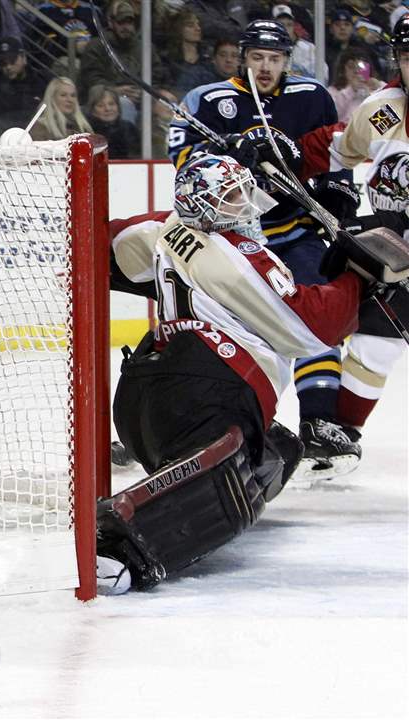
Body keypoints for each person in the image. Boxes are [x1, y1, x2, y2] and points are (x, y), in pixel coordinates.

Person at [97, 152, 407, 594]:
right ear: (205, 208)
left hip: (142, 396)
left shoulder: (164, 227)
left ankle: (194, 486)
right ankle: (116, 546)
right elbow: (308, 328)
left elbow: (108, 246)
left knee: (277, 450)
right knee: (225, 464)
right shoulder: (236, 255)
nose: (245, 206)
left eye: (244, 193)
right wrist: (357, 279)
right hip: (203, 391)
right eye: (232, 198)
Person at [168, 19, 362, 481]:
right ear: (243, 58)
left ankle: (319, 422)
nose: (265, 67)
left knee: (317, 319)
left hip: (295, 232)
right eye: (257, 57)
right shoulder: (208, 101)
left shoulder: (311, 96)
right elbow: (183, 162)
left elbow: (335, 152)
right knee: (212, 331)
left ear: (286, 61)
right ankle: (181, 420)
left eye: (274, 59)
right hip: (229, 241)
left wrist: (338, 192)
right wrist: (230, 152)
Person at [294, 14, 409, 473]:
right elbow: (337, 147)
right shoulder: (383, 110)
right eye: (408, 56)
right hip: (394, 251)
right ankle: (338, 437)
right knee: (374, 342)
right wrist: (286, 154)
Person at [0, 37, 45, 141]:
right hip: (6, 138)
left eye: (12, 60)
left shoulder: (41, 81)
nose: (8, 67)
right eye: (3, 63)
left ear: (23, 58)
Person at [327, 47, 383, 123]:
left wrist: (379, 89)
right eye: (351, 67)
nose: (356, 71)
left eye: (361, 67)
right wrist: (351, 90)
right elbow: (333, 116)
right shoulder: (333, 92)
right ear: (342, 70)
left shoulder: (378, 86)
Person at [85, 84, 138, 159]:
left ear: (118, 106)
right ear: (92, 110)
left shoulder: (129, 128)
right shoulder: (87, 131)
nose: (107, 109)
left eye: (111, 104)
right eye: (100, 105)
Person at [32, 76, 92, 142]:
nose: (69, 100)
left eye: (73, 95)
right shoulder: (41, 127)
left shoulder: (83, 127)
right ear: (52, 98)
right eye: (63, 95)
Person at [272, 4, 321, 79]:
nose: (285, 29)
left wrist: (301, 75)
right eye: (281, 25)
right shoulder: (266, 49)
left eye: (289, 24)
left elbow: (323, 75)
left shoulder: (309, 48)